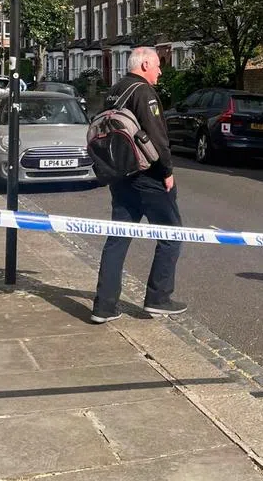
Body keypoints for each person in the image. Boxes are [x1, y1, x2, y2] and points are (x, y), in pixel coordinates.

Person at [91, 46, 186, 322]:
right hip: (148, 177)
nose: (160, 71)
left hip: (120, 177)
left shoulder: (115, 90)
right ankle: (158, 298)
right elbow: (157, 136)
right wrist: (167, 172)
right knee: (172, 236)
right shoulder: (143, 92)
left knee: (117, 239)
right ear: (144, 64)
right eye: (157, 65)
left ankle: (104, 306)